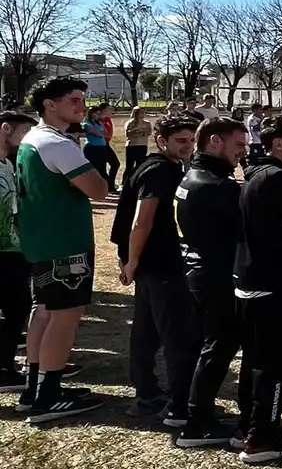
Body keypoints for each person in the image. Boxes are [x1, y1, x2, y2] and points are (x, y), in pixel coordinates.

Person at [15, 77, 109, 424]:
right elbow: (98, 189)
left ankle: (35, 388)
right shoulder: (58, 144)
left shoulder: (32, 138)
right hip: (65, 244)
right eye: (73, 100)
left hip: (42, 239)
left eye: (82, 99)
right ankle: (48, 396)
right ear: (49, 104)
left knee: (44, 310)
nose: (81, 106)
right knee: (65, 315)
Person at [234, 115, 282, 464]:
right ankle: (261, 438)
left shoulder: (255, 173)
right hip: (269, 282)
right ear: (278, 144)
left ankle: (248, 427)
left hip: (248, 277)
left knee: (253, 359)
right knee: (274, 364)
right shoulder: (278, 178)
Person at [113, 114, 199, 426]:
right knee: (176, 333)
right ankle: (178, 402)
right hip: (160, 262)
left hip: (153, 262)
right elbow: (142, 219)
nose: (188, 146)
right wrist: (131, 261)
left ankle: (146, 393)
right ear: (161, 140)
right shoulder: (160, 169)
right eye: (181, 140)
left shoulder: (157, 165)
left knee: (146, 330)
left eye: (192, 140)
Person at [174, 117, 249, 447]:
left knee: (214, 345)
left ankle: (191, 411)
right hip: (215, 275)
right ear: (215, 141)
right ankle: (196, 422)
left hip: (197, 270)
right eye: (238, 145)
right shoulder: (217, 186)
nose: (243, 152)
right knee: (220, 346)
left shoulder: (193, 176)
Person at [0, 110, 38, 390]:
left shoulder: (8, 164)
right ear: (5, 129)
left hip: (13, 250)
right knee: (15, 308)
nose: (28, 140)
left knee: (18, 308)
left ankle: (5, 366)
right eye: (25, 132)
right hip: (4, 252)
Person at [123, 107, 152, 180]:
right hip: (132, 146)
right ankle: (125, 182)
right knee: (129, 166)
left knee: (140, 165)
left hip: (143, 145)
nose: (142, 114)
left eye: (143, 112)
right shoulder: (130, 123)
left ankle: (137, 181)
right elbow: (128, 134)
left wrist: (141, 132)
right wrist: (135, 131)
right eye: (140, 112)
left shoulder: (147, 123)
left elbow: (149, 132)